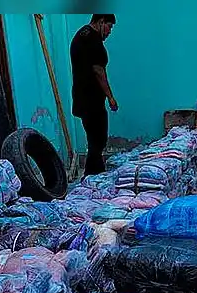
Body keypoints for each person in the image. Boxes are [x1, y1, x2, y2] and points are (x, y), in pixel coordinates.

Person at [70, 14, 118, 176]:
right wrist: (110, 97)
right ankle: (93, 176)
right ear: (101, 21)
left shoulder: (81, 35)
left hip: (82, 97)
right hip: (91, 100)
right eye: (109, 26)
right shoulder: (93, 41)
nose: (109, 31)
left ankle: (94, 174)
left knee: (94, 139)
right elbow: (98, 71)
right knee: (98, 139)